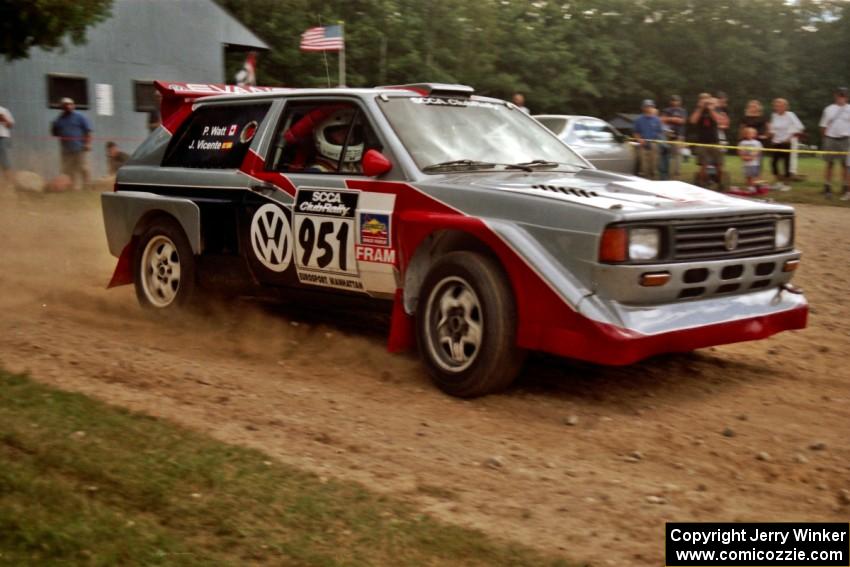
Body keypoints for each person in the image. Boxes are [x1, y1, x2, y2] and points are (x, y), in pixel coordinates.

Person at [51, 97, 92, 191]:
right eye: (65, 105)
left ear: (73, 106)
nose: (68, 106)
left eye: (70, 104)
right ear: (61, 107)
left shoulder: (80, 117)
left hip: (80, 147)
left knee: (83, 168)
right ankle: (71, 187)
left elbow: (88, 131)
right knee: (68, 169)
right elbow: (55, 133)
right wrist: (53, 127)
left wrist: (88, 144)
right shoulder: (58, 120)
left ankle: (87, 186)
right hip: (66, 150)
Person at [305, 108, 363, 173]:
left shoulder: (355, 165)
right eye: (341, 133)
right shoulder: (317, 172)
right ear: (321, 135)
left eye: (351, 132)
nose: (349, 137)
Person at [689, 93, 728, 188]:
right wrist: (700, 108)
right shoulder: (698, 110)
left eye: (707, 99)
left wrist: (711, 109)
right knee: (703, 165)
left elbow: (719, 121)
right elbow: (693, 121)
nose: (705, 101)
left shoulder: (716, 110)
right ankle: (703, 184)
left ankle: (720, 184)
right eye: (703, 99)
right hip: (702, 142)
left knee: (719, 165)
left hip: (715, 142)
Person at [819, 86, 850, 199]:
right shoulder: (829, 109)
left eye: (843, 95)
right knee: (829, 164)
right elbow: (823, 125)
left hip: (845, 139)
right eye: (839, 95)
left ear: (846, 97)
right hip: (830, 139)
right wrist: (826, 138)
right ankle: (827, 187)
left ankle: (846, 188)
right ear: (835, 96)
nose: (841, 97)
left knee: (846, 166)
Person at [768, 98, 803, 191]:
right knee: (773, 163)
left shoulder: (790, 115)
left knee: (786, 163)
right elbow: (772, 128)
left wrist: (790, 137)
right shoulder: (774, 115)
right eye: (776, 106)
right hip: (776, 141)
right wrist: (771, 135)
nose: (778, 107)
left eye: (780, 106)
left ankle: (787, 184)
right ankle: (778, 182)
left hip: (786, 142)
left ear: (786, 107)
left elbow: (800, 127)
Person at [632, 99, 663, 180]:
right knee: (643, 168)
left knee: (653, 167)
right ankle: (644, 180)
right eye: (647, 106)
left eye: (651, 106)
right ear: (643, 108)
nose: (649, 108)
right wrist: (639, 139)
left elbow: (660, 132)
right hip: (642, 146)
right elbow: (635, 132)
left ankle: (653, 181)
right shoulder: (639, 120)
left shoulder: (657, 120)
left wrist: (657, 140)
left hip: (653, 145)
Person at [660, 94, 686, 179]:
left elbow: (683, 121)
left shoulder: (682, 111)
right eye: (673, 100)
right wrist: (673, 119)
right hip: (667, 136)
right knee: (666, 156)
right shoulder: (666, 110)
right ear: (670, 101)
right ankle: (666, 175)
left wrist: (671, 119)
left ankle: (677, 175)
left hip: (678, 136)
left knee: (677, 156)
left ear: (680, 102)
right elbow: (661, 119)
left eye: (677, 100)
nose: (675, 102)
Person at [0, 103, 14, 188]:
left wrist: (4, 119)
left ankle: (9, 182)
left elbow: (11, 125)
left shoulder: (4, 110)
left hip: (2, 137)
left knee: (4, 159)